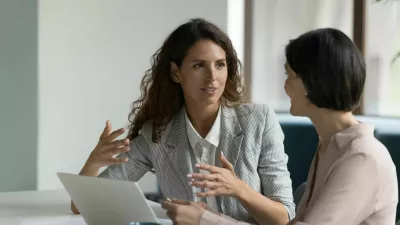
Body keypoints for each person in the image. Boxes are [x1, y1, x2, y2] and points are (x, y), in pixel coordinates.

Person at [162, 28, 398, 225]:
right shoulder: (331, 145)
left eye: (289, 75)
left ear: (310, 82)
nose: (285, 86)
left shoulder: (362, 157)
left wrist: (207, 220)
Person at [70, 18, 295, 224]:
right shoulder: (157, 134)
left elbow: (284, 218)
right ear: (176, 73)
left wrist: (239, 189)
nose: (212, 76)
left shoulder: (259, 121)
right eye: (199, 65)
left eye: (220, 64)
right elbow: (81, 205)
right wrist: (94, 163)